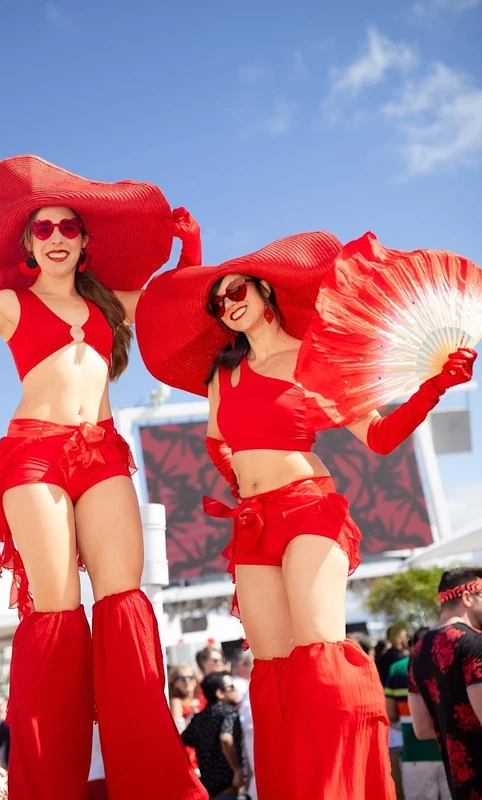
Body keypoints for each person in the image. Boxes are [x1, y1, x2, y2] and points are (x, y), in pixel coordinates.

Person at [133, 232, 477, 799]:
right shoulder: (223, 373)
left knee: (318, 658)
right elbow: (219, 442)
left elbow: (380, 436)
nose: (228, 304)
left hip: (308, 507)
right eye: (217, 300)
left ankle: (344, 789)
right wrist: (248, 489)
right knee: (271, 674)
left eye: (236, 289)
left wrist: (434, 387)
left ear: (266, 289)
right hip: (254, 522)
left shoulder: (314, 354)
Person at [0, 155, 206, 800]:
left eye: (67, 227)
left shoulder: (112, 303)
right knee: (58, 618)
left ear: (85, 242)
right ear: (30, 245)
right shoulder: (9, 303)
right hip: (34, 455)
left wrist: (191, 244)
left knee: (124, 607)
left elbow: (185, 303)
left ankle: (152, 785)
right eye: (43, 229)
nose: (56, 236)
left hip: (103, 453)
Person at [409, 568, 482, 800]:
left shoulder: (418, 651)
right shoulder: (474, 643)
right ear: (467, 597)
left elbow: (421, 729)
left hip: (459, 785)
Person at [386, 627, 451, 800]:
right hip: (452, 756)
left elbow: (390, 714)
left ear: (413, 645)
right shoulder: (450, 663)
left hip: (414, 756)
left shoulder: (398, 669)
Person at [182, 673, 246, 798]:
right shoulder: (229, 712)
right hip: (229, 787)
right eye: (231, 687)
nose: (235, 690)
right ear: (220, 694)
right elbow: (226, 738)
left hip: (209, 790)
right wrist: (237, 770)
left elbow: (182, 740)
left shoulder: (199, 718)